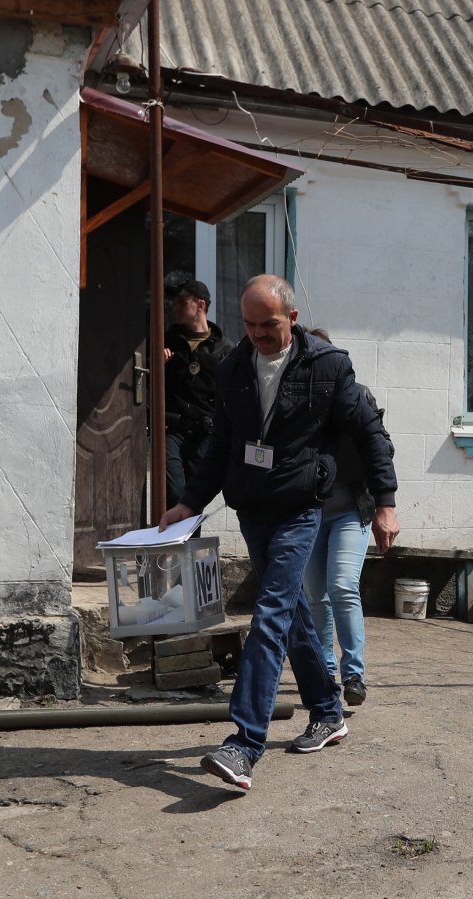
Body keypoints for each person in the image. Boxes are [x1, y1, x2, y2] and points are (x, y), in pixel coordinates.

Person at [160, 275, 400, 791]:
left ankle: (243, 744)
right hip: (252, 506)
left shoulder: (328, 366)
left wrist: (385, 503)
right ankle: (327, 711)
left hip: (299, 507)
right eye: (249, 324)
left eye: (268, 324)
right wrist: (188, 502)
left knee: (268, 614)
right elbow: (222, 442)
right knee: (289, 613)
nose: (258, 334)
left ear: (291, 317)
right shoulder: (233, 367)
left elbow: (370, 432)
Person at [299, 328, 386, 707]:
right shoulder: (295, 403)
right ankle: (325, 671)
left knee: (342, 586)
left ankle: (354, 675)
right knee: (315, 595)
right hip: (308, 515)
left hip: (352, 509)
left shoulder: (357, 396)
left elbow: (382, 446)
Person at [161, 270, 235, 507]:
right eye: (175, 302)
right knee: (175, 491)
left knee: (194, 496)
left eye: (182, 302)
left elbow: (231, 394)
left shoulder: (224, 349)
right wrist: (157, 364)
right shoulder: (166, 341)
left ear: (200, 305)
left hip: (204, 432)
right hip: (172, 427)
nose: (176, 307)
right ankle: (171, 544)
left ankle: (188, 545)